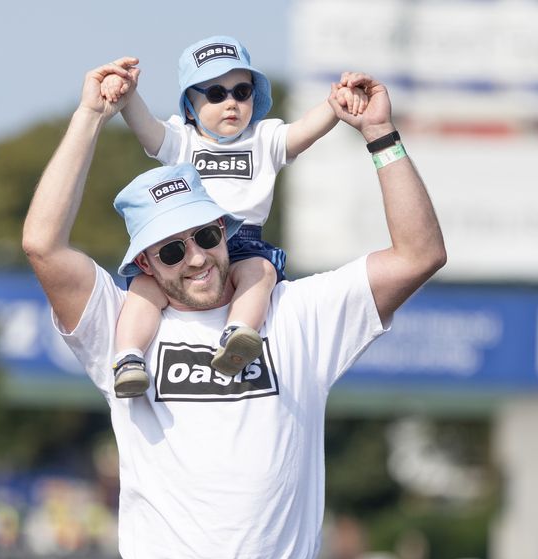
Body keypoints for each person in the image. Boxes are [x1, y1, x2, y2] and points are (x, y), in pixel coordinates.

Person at [21, 56, 445, 559]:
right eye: (171, 251)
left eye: (206, 235)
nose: (196, 257)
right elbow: (42, 245)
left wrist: (380, 135)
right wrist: (91, 115)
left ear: (225, 228)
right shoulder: (122, 326)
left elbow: (418, 256)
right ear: (145, 263)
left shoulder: (295, 312)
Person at [97, 35, 366, 398]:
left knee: (261, 273)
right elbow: (145, 126)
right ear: (190, 108)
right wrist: (127, 95)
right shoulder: (182, 139)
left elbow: (304, 131)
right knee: (144, 289)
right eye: (215, 94)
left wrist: (335, 105)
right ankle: (128, 358)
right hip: (186, 246)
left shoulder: (266, 137)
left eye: (241, 91)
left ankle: (237, 337)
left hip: (245, 242)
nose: (231, 103)